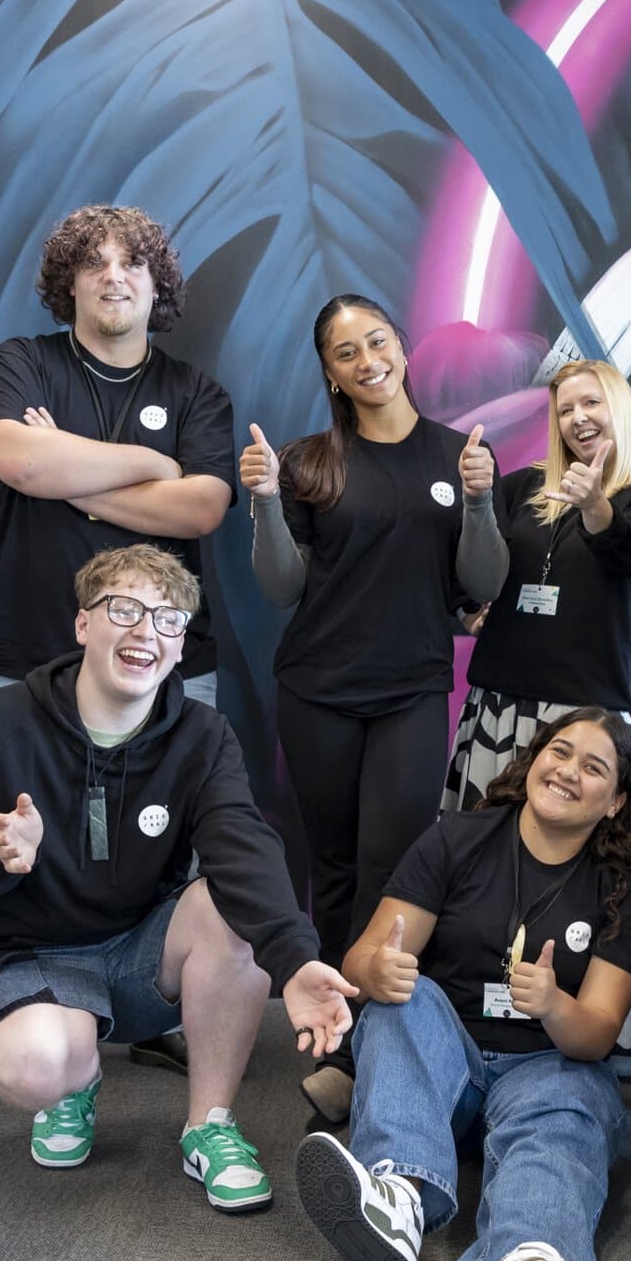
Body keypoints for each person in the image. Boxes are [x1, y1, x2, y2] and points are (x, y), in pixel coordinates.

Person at [0, 545, 357, 1208]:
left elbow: (244, 850)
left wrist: (295, 962)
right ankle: (75, 1081)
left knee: (234, 908)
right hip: (29, 956)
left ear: (179, 647)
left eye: (168, 620)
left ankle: (210, 1125)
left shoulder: (203, 735)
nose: (146, 631)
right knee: (36, 1067)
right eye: (125, 610)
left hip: (142, 952)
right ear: (84, 624)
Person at [0, 204, 239, 1079]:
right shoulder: (21, 364)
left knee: (171, 849)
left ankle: (161, 1013)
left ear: (157, 286)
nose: (113, 277)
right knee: (25, 842)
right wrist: (151, 467)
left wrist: (73, 478)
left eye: (132, 263)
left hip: (164, 666)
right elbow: (20, 461)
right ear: (69, 283)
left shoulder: (195, 393)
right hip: (25, 657)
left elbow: (200, 508)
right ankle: (40, 1009)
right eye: (94, 263)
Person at [297, 713, 631, 1261]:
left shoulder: (625, 884)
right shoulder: (459, 837)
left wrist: (553, 1004)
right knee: (402, 1003)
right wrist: (376, 970)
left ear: (615, 802)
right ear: (534, 758)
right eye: (559, 752)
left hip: (548, 1065)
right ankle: (398, 1199)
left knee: (572, 1098)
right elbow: (362, 959)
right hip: (447, 1067)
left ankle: (524, 1260)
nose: (568, 772)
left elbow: (597, 1034)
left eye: (593, 767)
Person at [246, 294, 509, 1122]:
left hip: (410, 693)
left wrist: (479, 502)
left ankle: (369, 1048)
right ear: (330, 373)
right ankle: (338, 1035)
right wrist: (264, 500)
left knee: (392, 872)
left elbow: (484, 583)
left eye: (377, 341)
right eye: (346, 352)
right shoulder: (309, 462)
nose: (367, 361)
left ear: (401, 345)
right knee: (330, 870)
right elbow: (281, 587)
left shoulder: (459, 454)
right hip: (317, 690)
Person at [442, 359, 631, 810]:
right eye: (566, 410)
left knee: (565, 846)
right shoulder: (525, 486)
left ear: (619, 406)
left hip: (585, 716)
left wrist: (595, 506)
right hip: (499, 704)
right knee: (481, 844)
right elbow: (461, 547)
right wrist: (466, 607)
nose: (578, 418)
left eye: (591, 403)